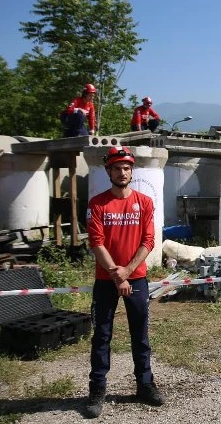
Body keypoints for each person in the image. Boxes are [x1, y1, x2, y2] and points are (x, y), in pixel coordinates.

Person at [85, 146, 164, 418]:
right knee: (102, 336)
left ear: (132, 171)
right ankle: (97, 391)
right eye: (117, 168)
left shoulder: (144, 202)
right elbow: (96, 242)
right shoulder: (97, 203)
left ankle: (144, 384)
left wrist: (127, 272)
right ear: (109, 171)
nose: (122, 172)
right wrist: (115, 274)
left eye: (127, 168)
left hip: (137, 278)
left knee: (140, 335)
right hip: (105, 279)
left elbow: (148, 241)